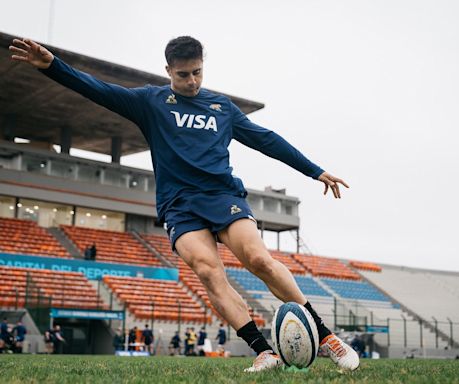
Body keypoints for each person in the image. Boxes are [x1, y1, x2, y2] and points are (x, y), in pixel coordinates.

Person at [10, 36, 359, 373]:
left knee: (258, 259)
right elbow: (99, 90)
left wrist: (315, 171)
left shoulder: (222, 107)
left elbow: (265, 139)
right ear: (168, 70)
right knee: (208, 271)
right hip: (179, 205)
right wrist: (52, 67)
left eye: (197, 72)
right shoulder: (150, 102)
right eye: (183, 74)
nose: (191, 81)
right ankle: (263, 352)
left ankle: (327, 338)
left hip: (223, 197)